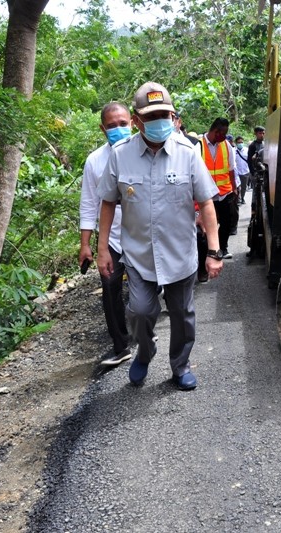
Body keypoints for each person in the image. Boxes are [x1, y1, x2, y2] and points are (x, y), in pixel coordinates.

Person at [96, 81, 224, 391]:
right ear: (138, 121)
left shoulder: (187, 153)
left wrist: (214, 251)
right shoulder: (120, 155)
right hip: (139, 255)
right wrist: (102, 249)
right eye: (151, 117)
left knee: (182, 316)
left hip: (179, 254)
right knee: (140, 311)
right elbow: (108, 203)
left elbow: (206, 203)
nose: (160, 122)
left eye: (165, 114)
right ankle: (145, 352)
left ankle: (180, 366)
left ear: (172, 115)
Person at [79, 102, 134, 367]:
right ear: (102, 129)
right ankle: (121, 345)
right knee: (110, 288)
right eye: (111, 126)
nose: (118, 130)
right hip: (110, 238)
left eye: (123, 124)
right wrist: (86, 244)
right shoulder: (95, 161)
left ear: (132, 122)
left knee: (143, 287)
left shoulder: (145, 152)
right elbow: (89, 203)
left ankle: (145, 332)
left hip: (141, 235)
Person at [199, 118, 238, 260]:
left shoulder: (226, 145)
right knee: (208, 225)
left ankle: (223, 248)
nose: (225, 137)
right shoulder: (199, 144)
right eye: (224, 133)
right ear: (216, 132)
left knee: (227, 222)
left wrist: (234, 187)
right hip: (206, 195)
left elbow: (231, 168)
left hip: (224, 193)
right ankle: (208, 252)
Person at [234, 135, 251, 205]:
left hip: (245, 171)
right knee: (238, 187)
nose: (240, 143)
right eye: (239, 142)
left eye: (241, 142)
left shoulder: (247, 150)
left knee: (244, 187)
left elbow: (249, 160)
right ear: (236, 143)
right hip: (237, 173)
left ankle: (242, 198)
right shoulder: (233, 151)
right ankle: (238, 199)